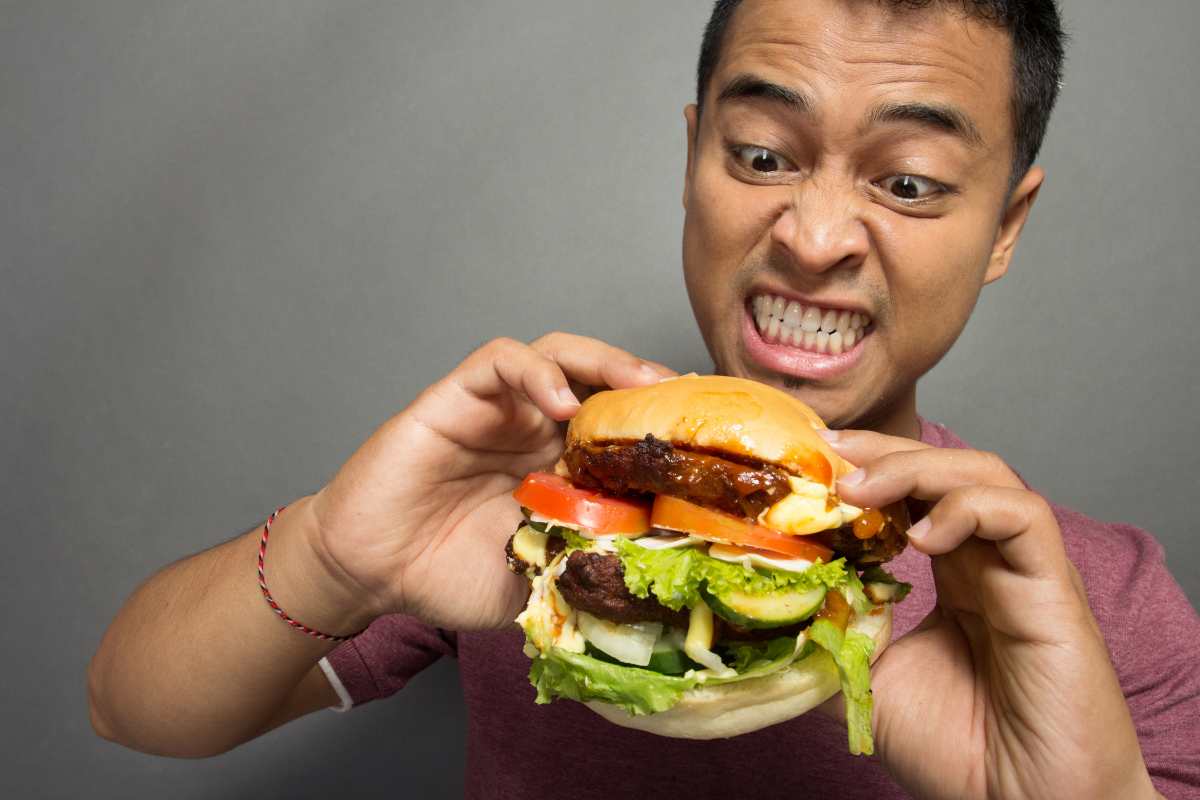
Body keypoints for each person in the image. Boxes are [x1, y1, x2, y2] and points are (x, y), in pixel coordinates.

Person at [88, 1, 1200, 797]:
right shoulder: (533, 504)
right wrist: (335, 549)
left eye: (907, 182)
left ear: (1004, 224)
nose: (813, 239)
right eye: (761, 154)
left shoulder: (1104, 602)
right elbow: (131, 709)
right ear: (693, 159)